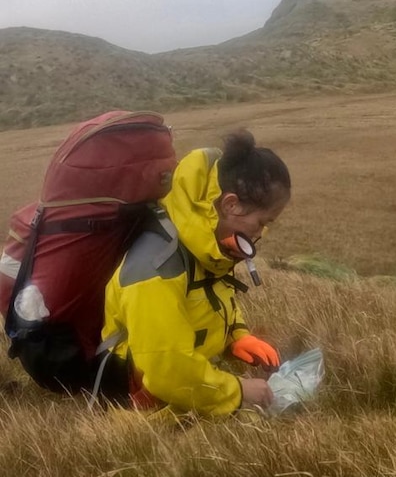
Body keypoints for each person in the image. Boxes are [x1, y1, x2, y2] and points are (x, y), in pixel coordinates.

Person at [97, 129, 291, 415]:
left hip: (187, 379)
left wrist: (237, 337)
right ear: (231, 205)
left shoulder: (202, 242)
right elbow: (167, 371)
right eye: (262, 222)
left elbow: (210, 300)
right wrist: (237, 391)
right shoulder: (156, 272)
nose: (261, 234)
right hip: (138, 399)